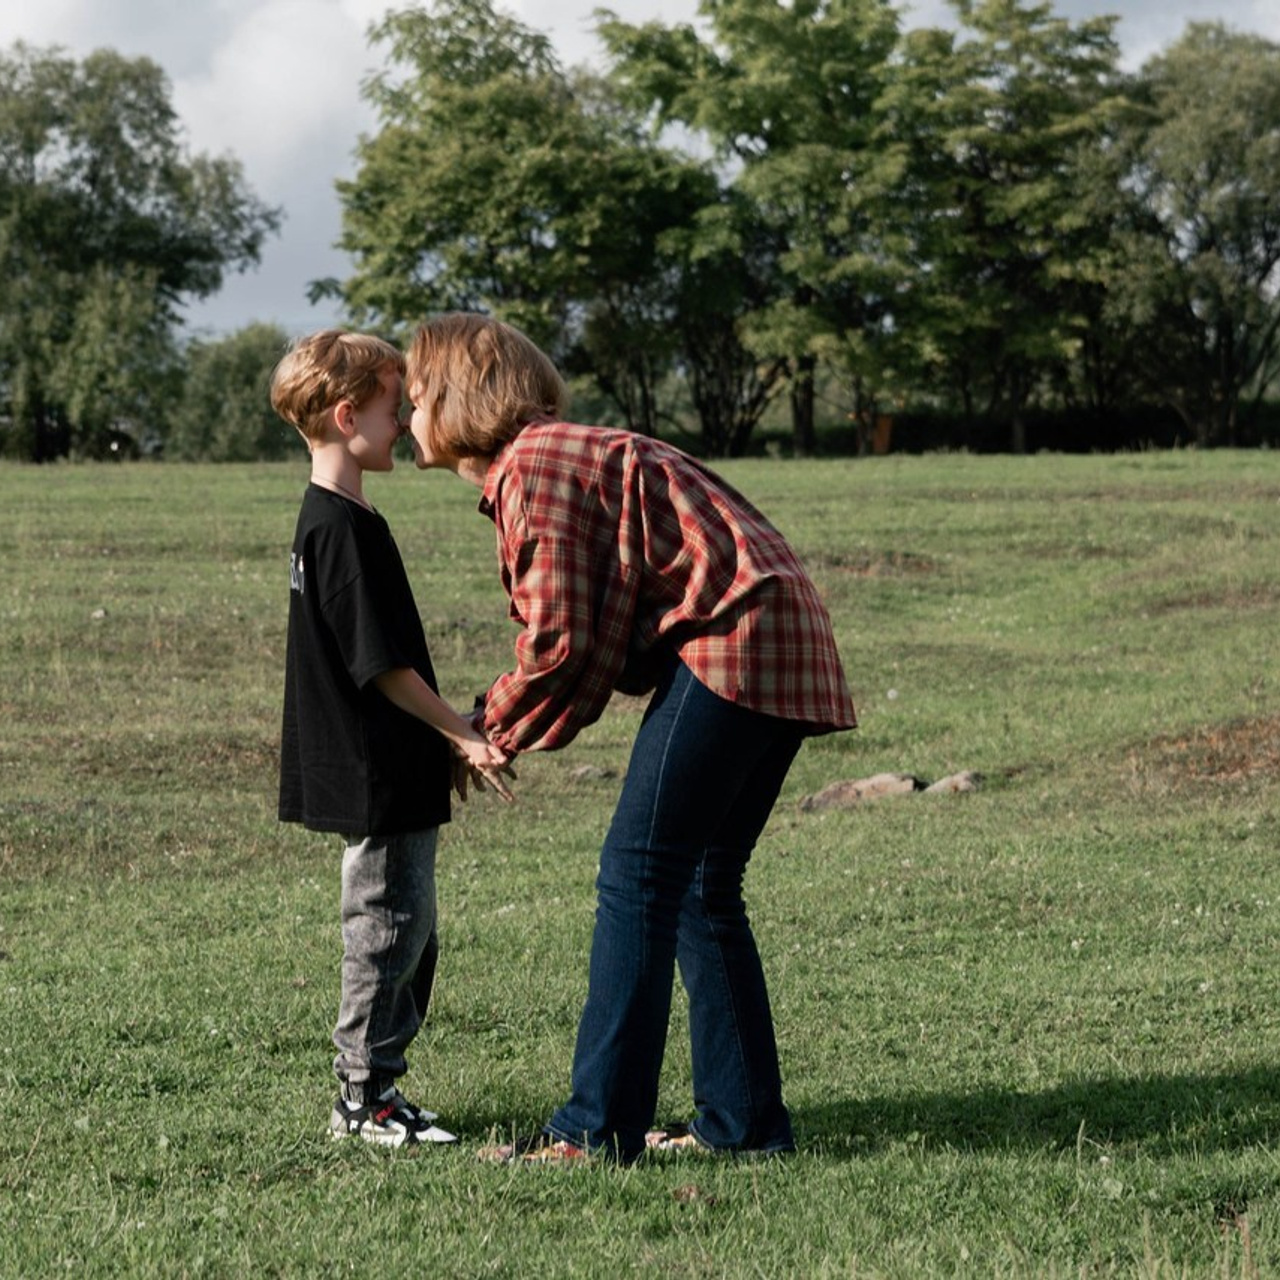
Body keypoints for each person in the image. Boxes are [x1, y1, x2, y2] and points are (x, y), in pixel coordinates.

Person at [403, 313, 856, 1163]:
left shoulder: (535, 467)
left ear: (459, 398)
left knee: (640, 876)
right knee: (699, 886)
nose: (406, 409)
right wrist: (495, 721)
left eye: (417, 391)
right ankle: (745, 1129)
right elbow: (594, 638)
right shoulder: (554, 456)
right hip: (777, 637)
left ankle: (593, 1133)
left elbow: (563, 644)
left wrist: (483, 726)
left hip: (731, 640)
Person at [269, 329, 512, 1148]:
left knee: (412, 929)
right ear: (345, 415)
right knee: (385, 927)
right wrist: (461, 734)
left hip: (397, 760)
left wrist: (446, 735)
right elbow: (380, 669)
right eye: (390, 405)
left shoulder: (347, 518)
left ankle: (379, 1089)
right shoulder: (337, 529)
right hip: (376, 765)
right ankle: (361, 1100)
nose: (407, 421)